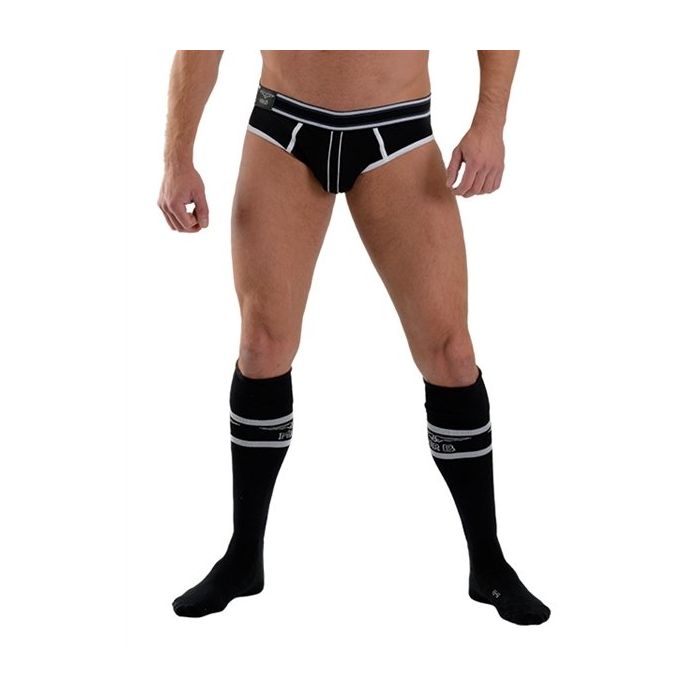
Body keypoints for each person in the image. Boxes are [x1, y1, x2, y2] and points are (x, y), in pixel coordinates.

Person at [158, 50, 550, 625]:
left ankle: (488, 564)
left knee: (451, 354)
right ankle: (243, 558)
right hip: (284, 126)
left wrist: (489, 124)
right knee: (262, 346)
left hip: (398, 131)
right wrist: (178, 158)